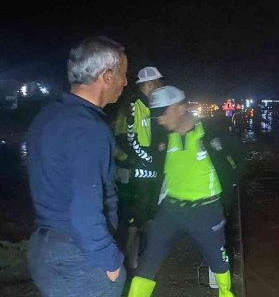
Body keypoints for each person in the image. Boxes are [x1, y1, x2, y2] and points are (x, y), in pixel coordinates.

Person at [26, 36, 128, 297]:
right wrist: (110, 260)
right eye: (122, 74)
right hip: (79, 256)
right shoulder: (89, 129)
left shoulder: (47, 116)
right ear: (106, 76)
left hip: (44, 247)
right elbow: (85, 207)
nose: (125, 82)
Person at [128, 86, 238, 297]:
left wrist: (227, 196)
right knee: (149, 258)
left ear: (181, 108)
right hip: (171, 210)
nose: (159, 119)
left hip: (206, 211)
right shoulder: (162, 140)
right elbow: (155, 172)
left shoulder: (211, 134)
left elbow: (237, 162)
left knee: (218, 261)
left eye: (163, 112)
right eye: (155, 114)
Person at [114, 67, 164, 270]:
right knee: (133, 219)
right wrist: (147, 159)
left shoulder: (149, 105)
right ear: (149, 84)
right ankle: (127, 262)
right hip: (137, 174)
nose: (160, 87)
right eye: (158, 83)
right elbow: (132, 138)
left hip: (148, 171)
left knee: (144, 216)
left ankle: (136, 260)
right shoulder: (134, 105)